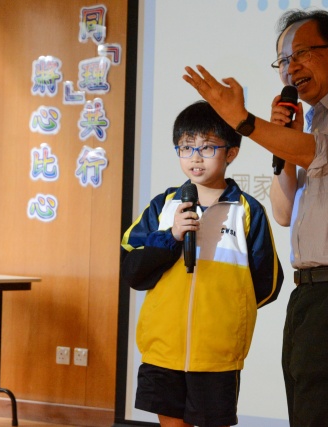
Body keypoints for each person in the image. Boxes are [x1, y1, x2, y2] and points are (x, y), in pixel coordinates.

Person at [183, 8, 328, 426]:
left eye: (301, 53)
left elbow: (322, 154)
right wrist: (284, 144)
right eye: (283, 60)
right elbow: (284, 212)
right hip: (313, 293)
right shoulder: (315, 124)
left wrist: (244, 122)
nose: (291, 68)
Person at [120, 100, 284, 427]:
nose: (195, 157)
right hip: (162, 348)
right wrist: (171, 237)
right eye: (186, 147)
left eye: (207, 147)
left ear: (231, 153)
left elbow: (267, 282)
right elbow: (132, 270)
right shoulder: (163, 206)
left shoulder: (247, 211)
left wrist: (229, 312)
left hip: (217, 354)